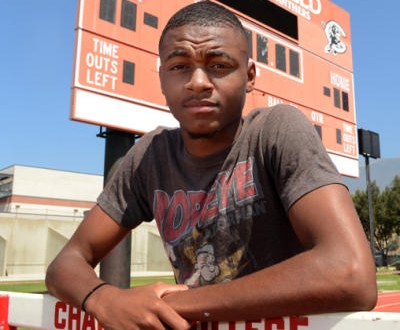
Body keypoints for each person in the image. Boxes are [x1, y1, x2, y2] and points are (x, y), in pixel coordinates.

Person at [46, 2, 377, 329]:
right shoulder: (149, 156)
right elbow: (66, 264)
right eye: (179, 67)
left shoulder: (276, 131)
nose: (198, 82)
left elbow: (350, 272)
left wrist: (173, 306)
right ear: (161, 78)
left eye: (219, 65)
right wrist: (105, 299)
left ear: (249, 77)